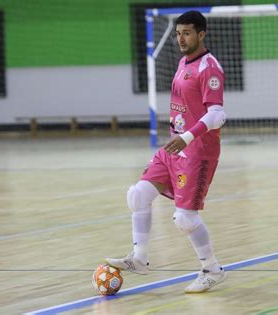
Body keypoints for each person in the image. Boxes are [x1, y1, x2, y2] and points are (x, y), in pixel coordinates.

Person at [106, 10, 227, 293]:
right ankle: (139, 258)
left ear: (201, 34)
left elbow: (218, 114)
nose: (181, 39)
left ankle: (212, 269)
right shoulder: (184, 61)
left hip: (198, 151)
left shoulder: (209, 68)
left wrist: (186, 137)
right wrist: (179, 138)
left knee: (184, 218)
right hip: (174, 147)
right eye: (178, 33)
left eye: (187, 33)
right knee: (138, 196)